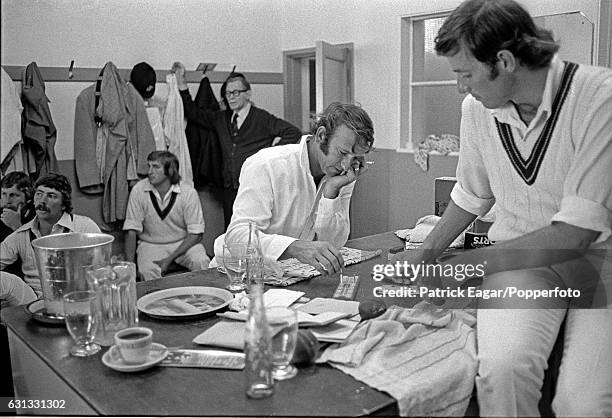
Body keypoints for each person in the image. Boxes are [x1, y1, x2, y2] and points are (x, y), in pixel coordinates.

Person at [391, 0, 612, 416]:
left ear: (505, 61)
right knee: (501, 369)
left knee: (581, 404)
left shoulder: (599, 98)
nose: (461, 86)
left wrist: (466, 268)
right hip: (524, 266)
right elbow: (470, 194)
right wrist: (425, 255)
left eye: (465, 73)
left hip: (601, 261)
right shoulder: (477, 110)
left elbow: (573, 234)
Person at [213, 102, 375, 276]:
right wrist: (294, 247)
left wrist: (331, 193)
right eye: (342, 153)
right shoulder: (266, 165)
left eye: (355, 158)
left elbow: (333, 245)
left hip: (286, 277)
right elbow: (237, 237)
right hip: (234, 273)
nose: (346, 165)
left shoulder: (343, 174)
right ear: (321, 135)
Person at [173, 63, 302, 227]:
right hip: (229, 189)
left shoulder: (261, 118)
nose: (231, 97)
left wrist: (268, 155)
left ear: (248, 94)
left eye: (235, 92)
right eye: (228, 93)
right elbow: (194, 113)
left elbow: (293, 132)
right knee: (232, 231)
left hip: (255, 186)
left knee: (253, 231)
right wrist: (182, 85)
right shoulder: (221, 118)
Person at [0, 173, 101, 295]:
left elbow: (101, 269)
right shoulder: (21, 234)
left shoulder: (84, 227)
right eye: (39, 194)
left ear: (64, 204)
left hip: (74, 296)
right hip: (33, 299)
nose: (42, 201)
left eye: (51, 196)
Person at [123, 151, 210, 281]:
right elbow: (131, 230)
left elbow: (196, 234)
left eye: (156, 167)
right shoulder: (139, 190)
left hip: (182, 242)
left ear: (170, 170)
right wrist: (129, 267)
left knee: (201, 261)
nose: (150, 171)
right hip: (150, 244)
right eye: (149, 166)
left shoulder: (188, 193)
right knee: (147, 270)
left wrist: (169, 259)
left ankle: (204, 298)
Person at [1, 172, 36, 278]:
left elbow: (37, 256)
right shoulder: (1, 213)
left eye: (13, 195)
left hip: (27, 276)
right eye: (4, 194)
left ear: (28, 197)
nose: (7, 201)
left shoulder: (37, 216)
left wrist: (17, 227)